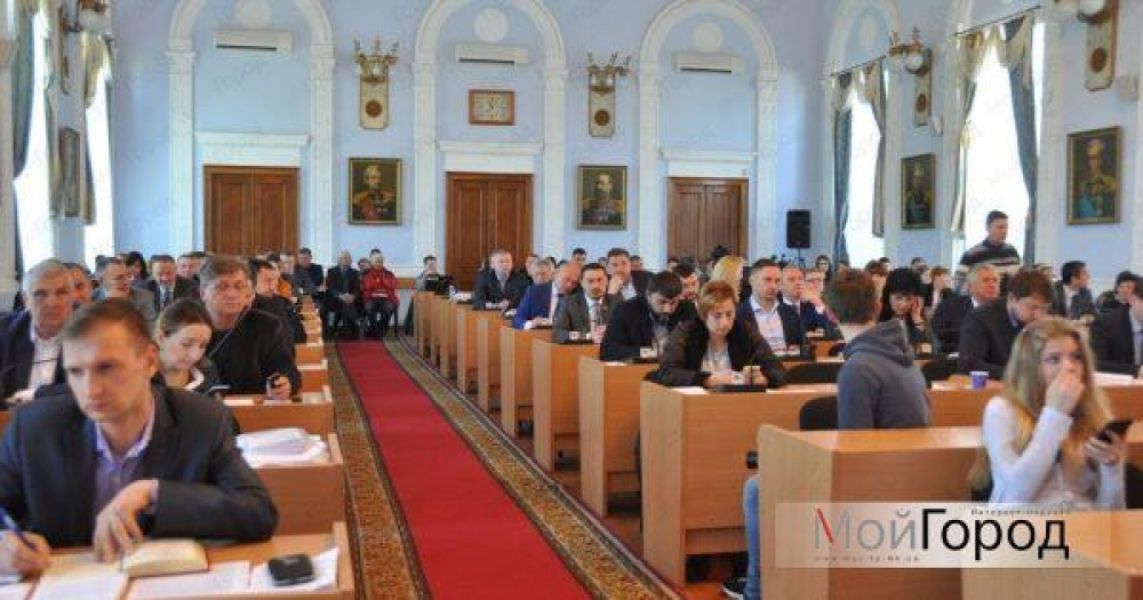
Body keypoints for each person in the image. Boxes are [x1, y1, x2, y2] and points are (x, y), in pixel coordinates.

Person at [0, 299, 278, 574]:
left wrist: (153, 493)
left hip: (170, 586)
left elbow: (258, 513)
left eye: (106, 368)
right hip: (67, 585)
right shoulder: (34, 429)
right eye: (75, 372)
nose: (91, 389)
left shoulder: (201, 420)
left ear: (149, 361)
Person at [726, 269, 931, 600]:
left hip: (876, 489)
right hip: (909, 477)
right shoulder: (905, 356)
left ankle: (757, 590)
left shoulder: (859, 368)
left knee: (757, 488)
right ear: (878, 307)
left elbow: (852, 460)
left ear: (832, 314)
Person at [968, 318, 1124, 508]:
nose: (1070, 367)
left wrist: (1112, 468)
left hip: (1082, 522)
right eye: (1054, 359)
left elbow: (1113, 513)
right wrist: (1055, 415)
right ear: (1030, 367)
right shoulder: (1001, 410)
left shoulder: (1092, 410)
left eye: (1076, 357)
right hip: (1022, 521)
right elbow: (1016, 494)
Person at [648, 281, 786, 388]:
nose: (725, 322)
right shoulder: (686, 332)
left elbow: (779, 370)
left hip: (739, 402)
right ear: (704, 315)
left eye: (729, 314)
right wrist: (707, 379)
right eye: (717, 315)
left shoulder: (745, 331)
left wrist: (765, 379)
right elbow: (666, 373)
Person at [200, 257, 299, 399]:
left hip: (254, 407)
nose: (232, 294)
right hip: (198, 408)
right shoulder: (186, 325)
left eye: (239, 286)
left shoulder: (267, 325)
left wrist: (284, 383)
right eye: (222, 287)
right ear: (203, 293)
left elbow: (286, 369)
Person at [0, 260, 75, 405]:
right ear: (26, 300)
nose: (52, 303)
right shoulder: (5, 333)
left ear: (73, 296)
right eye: (41, 294)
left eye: (61, 292)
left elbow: (86, 387)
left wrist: (34, 394)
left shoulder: (90, 333)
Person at [958, 269, 1052, 379]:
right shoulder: (980, 318)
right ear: (1012, 298)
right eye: (1033, 307)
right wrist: (1019, 375)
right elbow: (970, 365)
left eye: (1044, 308)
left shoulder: (1046, 319)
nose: (1039, 315)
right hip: (997, 385)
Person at [600, 271, 697, 361]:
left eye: (673, 303)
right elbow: (607, 351)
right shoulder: (626, 310)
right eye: (662, 302)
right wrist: (649, 352)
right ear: (648, 295)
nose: (667, 309)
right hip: (639, 369)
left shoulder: (687, 309)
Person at [738, 260, 804, 354]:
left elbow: (804, 346)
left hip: (788, 361)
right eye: (767, 280)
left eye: (777, 281)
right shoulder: (739, 314)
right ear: (751, 281)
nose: (773, 286)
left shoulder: (790, 312)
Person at [931, 264, 1000, 354]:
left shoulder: (1004, 311)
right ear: (970, 286)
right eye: (986, 280)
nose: (992, 285)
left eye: (995, 280)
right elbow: (937, 341)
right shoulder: (949, 307)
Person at [155, 299, 220, 395]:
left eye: (202, 346)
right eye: (186, 344)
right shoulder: (139, 374)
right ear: (161, 338)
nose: (195, 355)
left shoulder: (207, 371)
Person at [953, 210, 1022, 292]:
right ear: (987, 228)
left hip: (1008, 299)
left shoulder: (1012, 252)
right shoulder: (972, 254)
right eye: (1000, 227)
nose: (1004, 231)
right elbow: (957, 285)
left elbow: (1020, 280)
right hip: (981, 299)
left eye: (1006, 227)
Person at [552, 264, 620, 344]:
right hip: (580, 349)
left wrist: (612, 331)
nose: (596, 286)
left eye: (600, 280)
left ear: (607, 281)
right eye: (590, 281)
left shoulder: (617, 302)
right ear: (581, 283)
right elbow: (557, 334)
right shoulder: (568, 302)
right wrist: (588, 336)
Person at [1089, 277, 1143, 376]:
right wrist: (1138, 370)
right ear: (1132, 300)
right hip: (1117, 383)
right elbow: (1096, 363)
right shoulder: (1105, 324)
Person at [513, 261, 581, 330]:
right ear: (555, 274)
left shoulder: (578, 297)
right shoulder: (534, 292)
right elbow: (517, 320)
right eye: (566, 279)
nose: (569, 285)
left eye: (574, 283)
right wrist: (531, 324)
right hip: (539, 334)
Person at [251, 259, 305, 345]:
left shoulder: (282, 303)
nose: (273, 286)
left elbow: (300, 337)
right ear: (249, 282)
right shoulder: (241, 308)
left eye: (274, 280)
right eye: (267, 281)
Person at [94, 259, 157, 326]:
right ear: (101, 282)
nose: (126, 282)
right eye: (119, 278)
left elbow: (149, 329)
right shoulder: (91, 299)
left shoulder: (144, 297)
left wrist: (121, 305)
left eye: (128, 276)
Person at [779, 265, 837, 337]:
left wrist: (818, 303)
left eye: (820, 280)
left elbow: (831, 331)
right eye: (811, 281)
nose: (817, 284)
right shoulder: (774, 305)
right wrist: (805, 335)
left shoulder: (815, 305)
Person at [878, 268, 928, 346]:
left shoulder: (916, 318)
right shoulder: (877, 318)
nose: (904, 304)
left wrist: (917, 318)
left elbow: (927, 348)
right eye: (898, 298)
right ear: (888, 296)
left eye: (909, 299)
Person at [1075, 137, 1118, 220]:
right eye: (1090, 158)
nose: (1091, 162)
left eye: (1094, 158)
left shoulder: (1112, 182)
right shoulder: (1083, 185)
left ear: (1101, 160)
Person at [322, 251, 362, 339]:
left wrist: (353, 296)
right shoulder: (332, 271)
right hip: (335, 299)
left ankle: (343, 330)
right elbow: (331, 287)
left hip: (350, 299)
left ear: (351, 261)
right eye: (344, 258)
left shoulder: (355, 272)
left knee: (348, 304)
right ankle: (352, 329)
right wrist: (341, 295)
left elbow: (357, 288)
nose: (347, 260)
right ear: (339, 260)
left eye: (349, 258)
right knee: (346, 305)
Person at [361, 252, 399, 337]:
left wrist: (383, 281)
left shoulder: (388, 273)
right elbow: (366, 287)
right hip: (371, 298)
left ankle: (380, 328)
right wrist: (378, 287)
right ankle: (375, 329)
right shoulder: (366, 273)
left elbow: (392, 286)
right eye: (377, 261)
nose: (379, 263)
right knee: (369, 307)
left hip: (386, 298)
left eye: (381, 261)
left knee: (389, 307)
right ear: (372, 262)